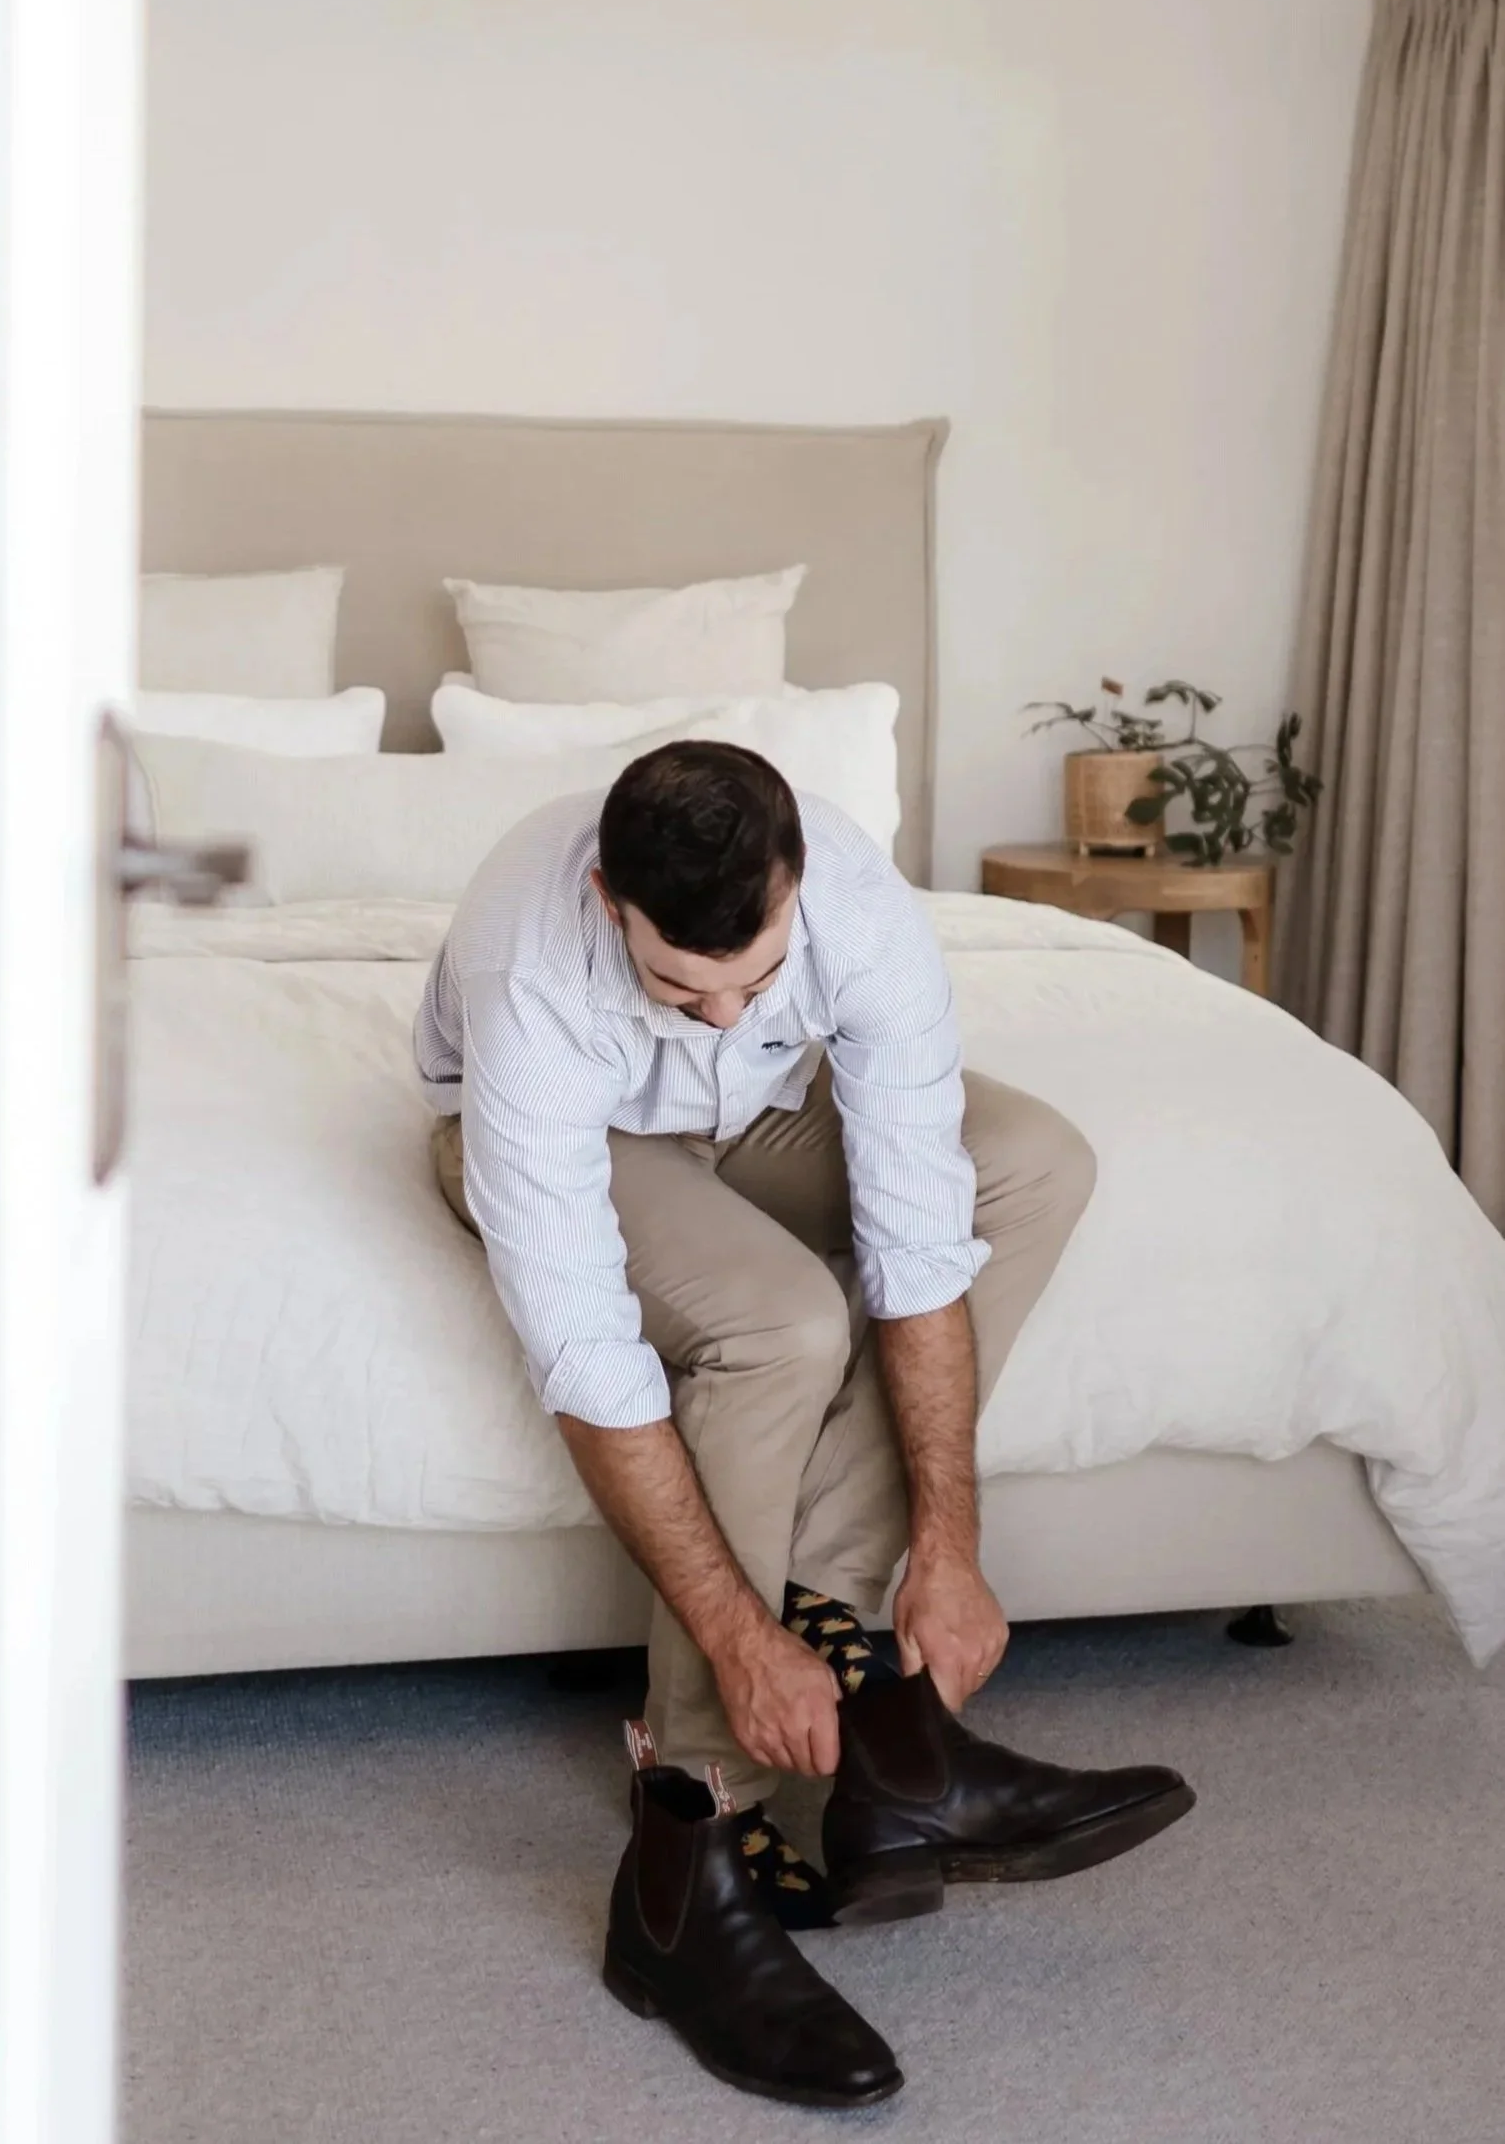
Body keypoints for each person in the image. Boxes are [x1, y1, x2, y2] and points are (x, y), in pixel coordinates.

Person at [418, 741, 1194, 2109]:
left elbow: (916, 1230)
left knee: (1034, 1164)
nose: (720, 1014)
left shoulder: (856, 900)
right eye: (678, 985)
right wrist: (734, 1636)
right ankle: (693, 1828)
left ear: (795, 886)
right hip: (582, 1135)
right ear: (609, 899)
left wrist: (948, 1544)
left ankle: (872, 1730)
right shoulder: (526, 973)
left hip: (774, 1123)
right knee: (781, 1317)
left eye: (755, 977)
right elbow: (591, 1362)